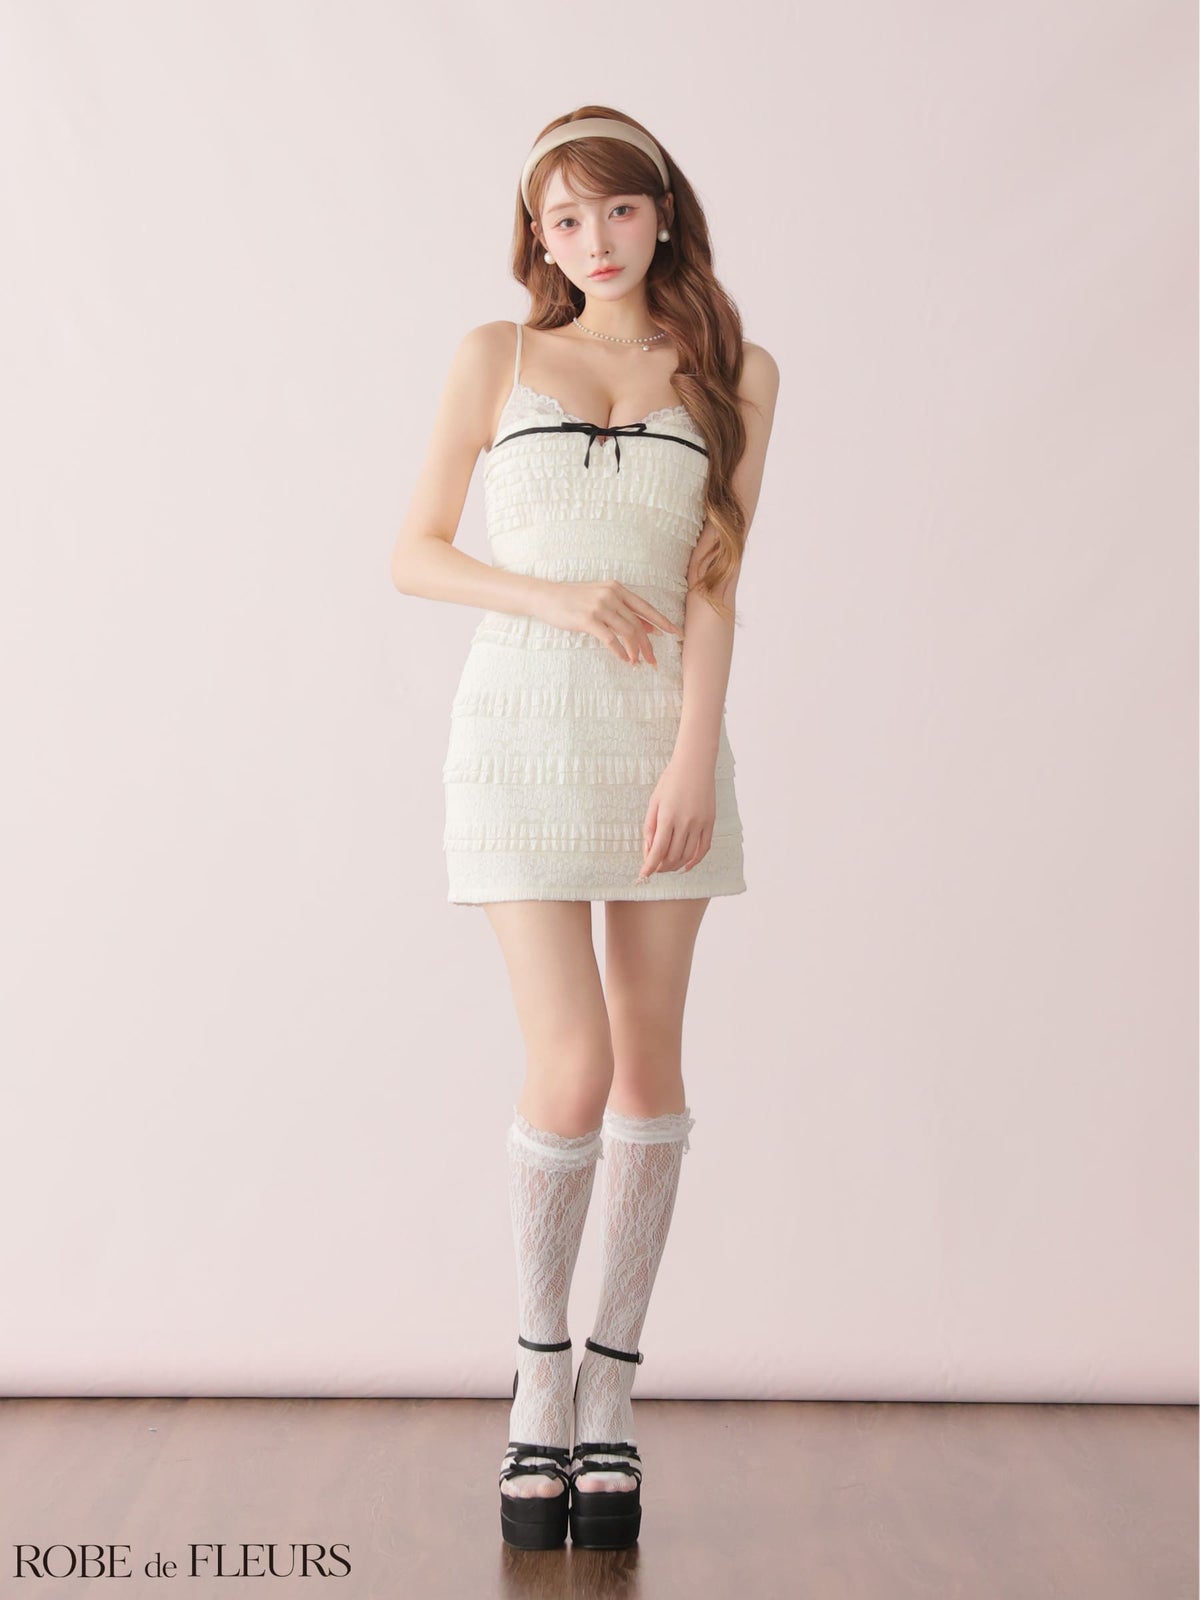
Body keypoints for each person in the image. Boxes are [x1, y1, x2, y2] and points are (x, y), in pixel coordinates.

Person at [390, 106, 779, 1551]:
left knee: (651, 1060)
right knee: (572, 1063)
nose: (593, 241)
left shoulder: (735, 372)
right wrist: (552, 598)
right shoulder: (494, 357)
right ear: (537, 239)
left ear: (661, 212)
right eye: (564, 220)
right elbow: (414, 552)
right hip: (516, 738)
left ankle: (612, 1384)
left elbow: (717, 582)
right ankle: (538, 1375)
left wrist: (693, 757)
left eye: (616, 210)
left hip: (661, 744)